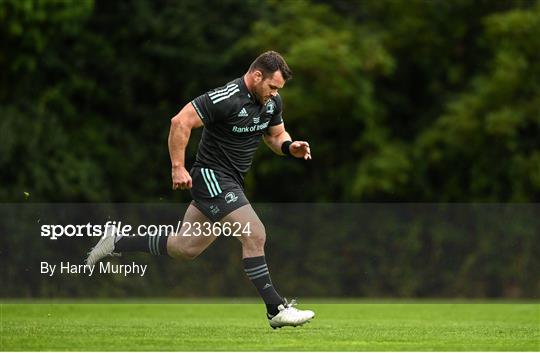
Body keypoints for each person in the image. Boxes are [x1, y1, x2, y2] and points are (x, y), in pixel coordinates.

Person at [86, 51, 314, 329]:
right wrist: (178, 167)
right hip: (212, 176)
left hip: (230, 181)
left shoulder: (271, 102)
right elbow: (180, 122)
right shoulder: (226, 97)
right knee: (254, 234)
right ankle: (275, 309)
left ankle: (116, 242)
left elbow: (276, 135)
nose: (274, 93)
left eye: (278, 89)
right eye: (272, 86)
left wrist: (291, 147)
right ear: (257, 76)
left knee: (185, 248)